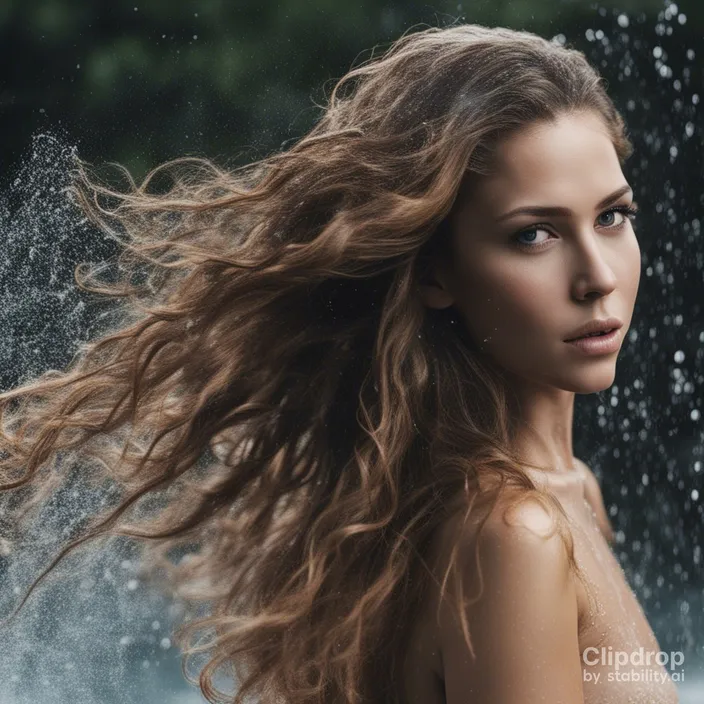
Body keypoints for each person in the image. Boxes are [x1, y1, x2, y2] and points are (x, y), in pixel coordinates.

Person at [0, 23, 681, 704]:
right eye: (533, 234)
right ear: (437, 273)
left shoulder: (563, 493)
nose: (597, 276)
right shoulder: (514, 536)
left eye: (613, 217)